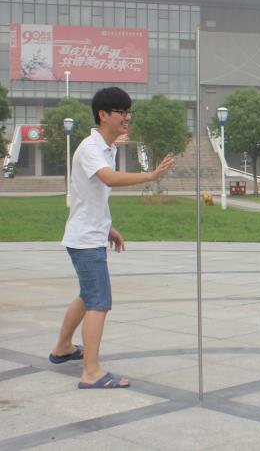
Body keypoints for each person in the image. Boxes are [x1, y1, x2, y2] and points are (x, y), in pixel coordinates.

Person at [50, 87, 174, 389]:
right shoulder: (91, 148)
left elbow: (91, 195)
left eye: (129, 111)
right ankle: (91, 372)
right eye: (122, 112)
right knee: (99, 302)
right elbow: (108, 178)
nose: (127, 117)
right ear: (103, 115)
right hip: (85, 240)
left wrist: (108, 227)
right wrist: (150, 176)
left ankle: (63, 347)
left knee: (87, 295)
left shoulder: (107, 148)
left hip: (89, 234)